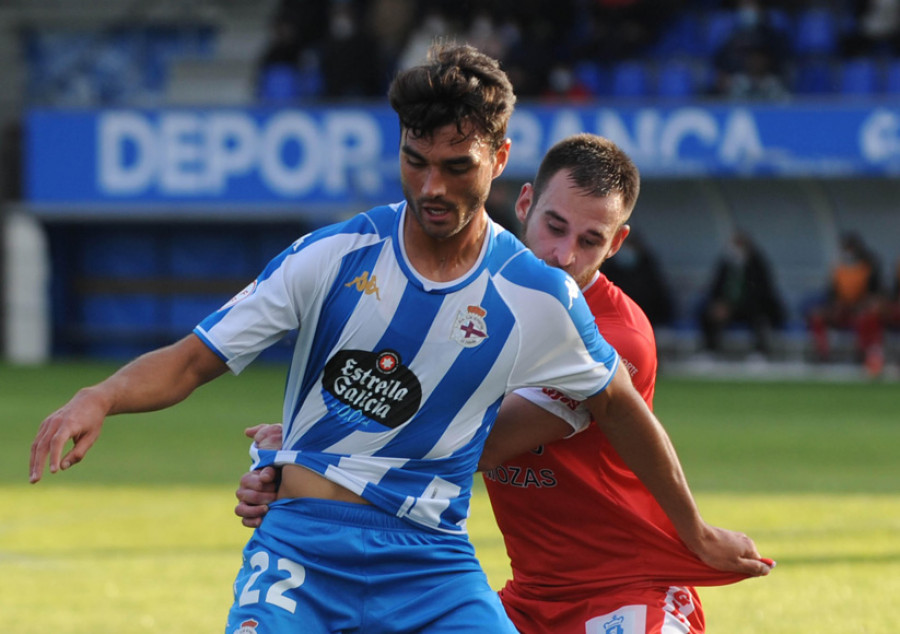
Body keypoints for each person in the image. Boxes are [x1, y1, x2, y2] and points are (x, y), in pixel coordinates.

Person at [30, 44, 770, 634]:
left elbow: (613, 406)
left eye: (457, 167)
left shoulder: (536, 298)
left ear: (499, 159)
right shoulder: (333, 256)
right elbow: (193, 360)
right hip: (303, 551)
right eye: (416, 161)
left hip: (432, 563)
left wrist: (696, 534)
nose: (432, 189)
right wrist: (100, 396)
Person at [236, 134, 773, 633]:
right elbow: (409, 422)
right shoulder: (469, 300)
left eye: (590, 240)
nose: (564, 255)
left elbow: (479, 445)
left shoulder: (616, 338)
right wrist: (306, 458)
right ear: (523, 205)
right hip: (531, 598)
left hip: (628, 589)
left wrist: (317, 458)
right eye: (554, 226)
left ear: (617, 244)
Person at [807, 231, 886, 375]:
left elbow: (875, 295)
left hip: (859, 310)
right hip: (842, 310)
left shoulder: (868, 268)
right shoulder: (838, 269)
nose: (847, 253)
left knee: (868, 316)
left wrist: (862, 305)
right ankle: (822, 355)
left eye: (849, 249)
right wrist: (835, 305)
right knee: (817, 316)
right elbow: (831, 295)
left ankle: (863, 355)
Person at [698, 230, 785, 357]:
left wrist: (733, 306)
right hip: (728, 308)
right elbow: (715, 288)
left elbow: (762, 292)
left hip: (751, 307)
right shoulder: (725, 264)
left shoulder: (757, 264)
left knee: (758, 317)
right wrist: (719, 304)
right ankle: (709, 351)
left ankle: (760, 353)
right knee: (708, 314)